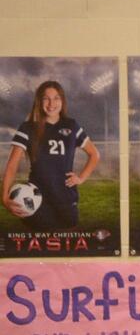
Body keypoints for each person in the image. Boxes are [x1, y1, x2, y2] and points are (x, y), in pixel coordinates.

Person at [2, 80, 99, 229]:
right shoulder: (28, 128)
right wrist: (4, 198)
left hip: (66, 197)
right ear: (39, 102)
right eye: (46, 98)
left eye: (56, 98)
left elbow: (94, 154)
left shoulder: (71, 126)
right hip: (37, 198)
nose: (51, 103)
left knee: (67, 238)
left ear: (62, 101)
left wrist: (81, 178)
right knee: (44, 240)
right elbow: (12, 165)